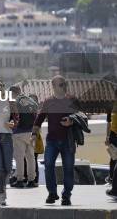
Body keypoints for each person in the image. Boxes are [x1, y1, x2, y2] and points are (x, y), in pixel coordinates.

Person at [33, 75, 80, 206]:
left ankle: (66, 196)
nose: (63, 86)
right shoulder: (48, 102)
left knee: (68, 168)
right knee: (48, 165)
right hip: (52, 141)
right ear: (53, 86)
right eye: (60, 84)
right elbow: (39, 119)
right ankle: (52, 193)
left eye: (64, 84)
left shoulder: (72, 100)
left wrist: (71, 121)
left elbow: (81, 116)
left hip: (68, 141)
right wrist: (33, 134)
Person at [10, 86, 38, 188]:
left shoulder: (15, 101)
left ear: (13, 93)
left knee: (19, 157)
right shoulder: (30, 100)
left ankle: (20, 180)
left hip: (19, 132)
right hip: (31, 132)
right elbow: (36, 112)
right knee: (31, 157)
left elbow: (11, 116)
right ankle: (32, 180)